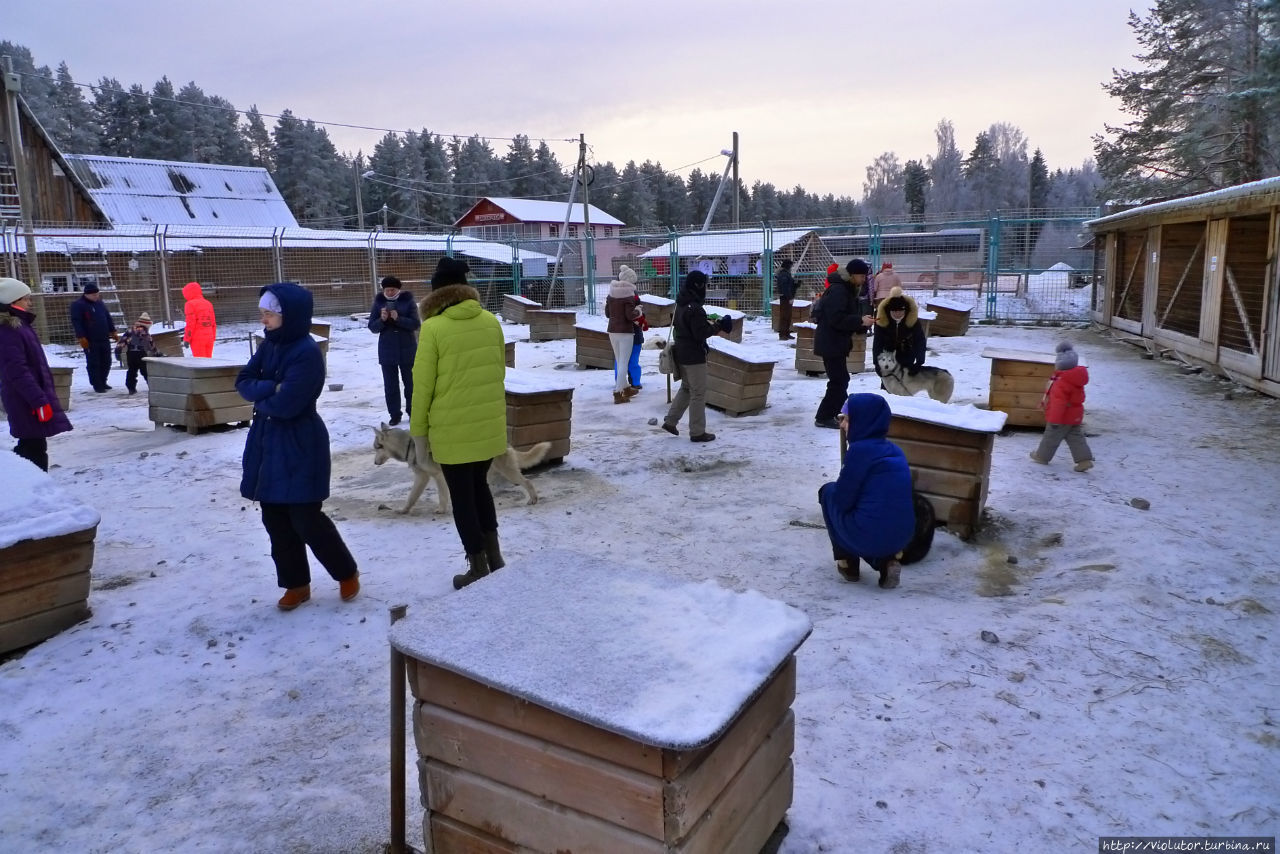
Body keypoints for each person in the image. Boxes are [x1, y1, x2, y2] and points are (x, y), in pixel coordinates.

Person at [237, 282, 359, 611]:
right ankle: (296, 584)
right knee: (275, 519)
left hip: (300, 444)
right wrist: (269, 388)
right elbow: (243, 382)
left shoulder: (306, 352)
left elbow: (287, 404)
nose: (262, 319)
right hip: (267, 444)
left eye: (268, 313)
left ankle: (346, 572)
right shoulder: (268, 345)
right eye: (262, 313)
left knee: (306, 519)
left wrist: (265, 396)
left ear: (286, 315)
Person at [410, 257, 509, 590]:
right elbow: (499, 372)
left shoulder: (434, 329)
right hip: (487, 426)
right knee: (480, 488)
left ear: (437, 292)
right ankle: (495, 559)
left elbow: (421, 387)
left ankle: (477, 565)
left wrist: (419, 436)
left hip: (451, 432)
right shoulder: (490, 321)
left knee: (462, 498)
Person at [819, 393, 915, 589]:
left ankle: (848, 564)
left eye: (846, 419)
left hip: (870, 534)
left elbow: (842, 501)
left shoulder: (860, 452)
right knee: (873, 518)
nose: (842, 425)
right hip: (903, 537)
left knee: (828, 493)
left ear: (862, 421)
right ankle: (885, 562)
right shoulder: (895, 450)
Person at [0, 278, 72, 471]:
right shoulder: (9, 330)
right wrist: (38, 400)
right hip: (24, 399)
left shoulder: (20, 325)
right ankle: (32, 488)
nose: (29, 302)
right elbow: (17, 370)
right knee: (33, 447)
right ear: (12, 302)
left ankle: (28, 485)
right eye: (25, 299)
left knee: (33, 444)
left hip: (28, 397)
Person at [662, 269, 732, 442]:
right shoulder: (695, 308)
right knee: (698, 393)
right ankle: (697, 432)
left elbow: (689, 326)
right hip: (694, 356)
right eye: (705, 285)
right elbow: (700, 333)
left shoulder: (681, 303)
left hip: (681, 351)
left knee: (687, 388)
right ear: (699, 285)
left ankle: (670, 422)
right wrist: (719, 326)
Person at [811, 259, 874, 428]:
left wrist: (861, 322)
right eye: (861, 276)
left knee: (840, 379)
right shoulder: (839, 290)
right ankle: (824, 416)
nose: (863, 280)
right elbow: (836, 318)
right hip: (831, 342)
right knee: (839, 380)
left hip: (835, 342)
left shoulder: (845, 288)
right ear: (852, 275)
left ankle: (837, 413)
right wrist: (860, 320)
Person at [1030, 341, 1094, 472]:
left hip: (1061, 417)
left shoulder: (1062, 382)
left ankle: (1041, 456)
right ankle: (1084, 460)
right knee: (1076, 438)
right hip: (1074, 415)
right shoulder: (1075, 379)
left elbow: (1059, 403)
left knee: (1050, 437)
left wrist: (1054, 420)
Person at [368, 275, 420, 425]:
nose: (390, 292)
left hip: (407, 349)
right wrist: (382, 320)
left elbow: (415, 324)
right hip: (387, 350)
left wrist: (399, 319)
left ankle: (413, 412)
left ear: (399, 289)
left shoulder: (408, 302)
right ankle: (394, 414)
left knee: (410, 383)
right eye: (387, 290)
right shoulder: (378, 303)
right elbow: (372, 327)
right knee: (390, 385)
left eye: (393, 289)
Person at [68, 281, 117, 392]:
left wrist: (112, 330)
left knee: (106, 361)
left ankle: (103, 381)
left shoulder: (99, 303)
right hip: (90, 339)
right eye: (94, 295)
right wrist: (81, 336)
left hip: (104, 337)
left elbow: (107, 317)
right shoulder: (78, 305)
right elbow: (77, 322)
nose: (96, 296)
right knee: (94, 362)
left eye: (97, 294)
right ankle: (97, 384)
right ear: (87, 294)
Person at [605, 265, 644, 404]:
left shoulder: (611, 294)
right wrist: (638, 310)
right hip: (625, 332)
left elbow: (607, 314)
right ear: (630, 280)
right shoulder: (628, 295)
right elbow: (630, 316)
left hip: (612, 331)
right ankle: (618, 393)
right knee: (623, 362)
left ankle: (625, 388)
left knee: (619, 359)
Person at [872, 286, 927, 380]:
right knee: (888, 388)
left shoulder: (913, 321)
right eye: (894, 311)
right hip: (887, 359)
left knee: (904, 386)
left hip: (907, 357)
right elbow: (878, 343)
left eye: (901, 311)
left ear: (905, 310)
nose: (898, 314)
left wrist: (919, 362)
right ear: (889, 311)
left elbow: (920, 341)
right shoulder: (882, 322)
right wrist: (876, 363)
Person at [119, 312, 159, 395]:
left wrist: (118, 349)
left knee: (132, 371)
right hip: (141, 354)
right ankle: (152, 387)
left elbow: (123, 341)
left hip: (130, 354)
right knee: (145, 371)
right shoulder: (145, 333)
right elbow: (150, 344)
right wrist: (156, 352)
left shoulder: (130, 330)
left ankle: (131, 388)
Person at [182, 281, 217, 357]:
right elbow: (213, 322)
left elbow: (190, 324)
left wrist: (187, 339)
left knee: (200, 362)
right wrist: (213, 336)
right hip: (209, 336)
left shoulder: (189, 304)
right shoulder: (208, 303)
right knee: (208, 360)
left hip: (197, 337)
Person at [776, 258, 798, 340]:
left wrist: (795, 285)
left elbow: (789, 285)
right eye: (791, 265)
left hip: (787, 297)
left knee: (788, 316)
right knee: (785, 316)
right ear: (788, 266)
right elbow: (785, 287)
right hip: (785, 297)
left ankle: (786, 332)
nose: (791, 267)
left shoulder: (786, 274)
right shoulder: (783, 274)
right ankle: (782, 334)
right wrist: (789, 297)